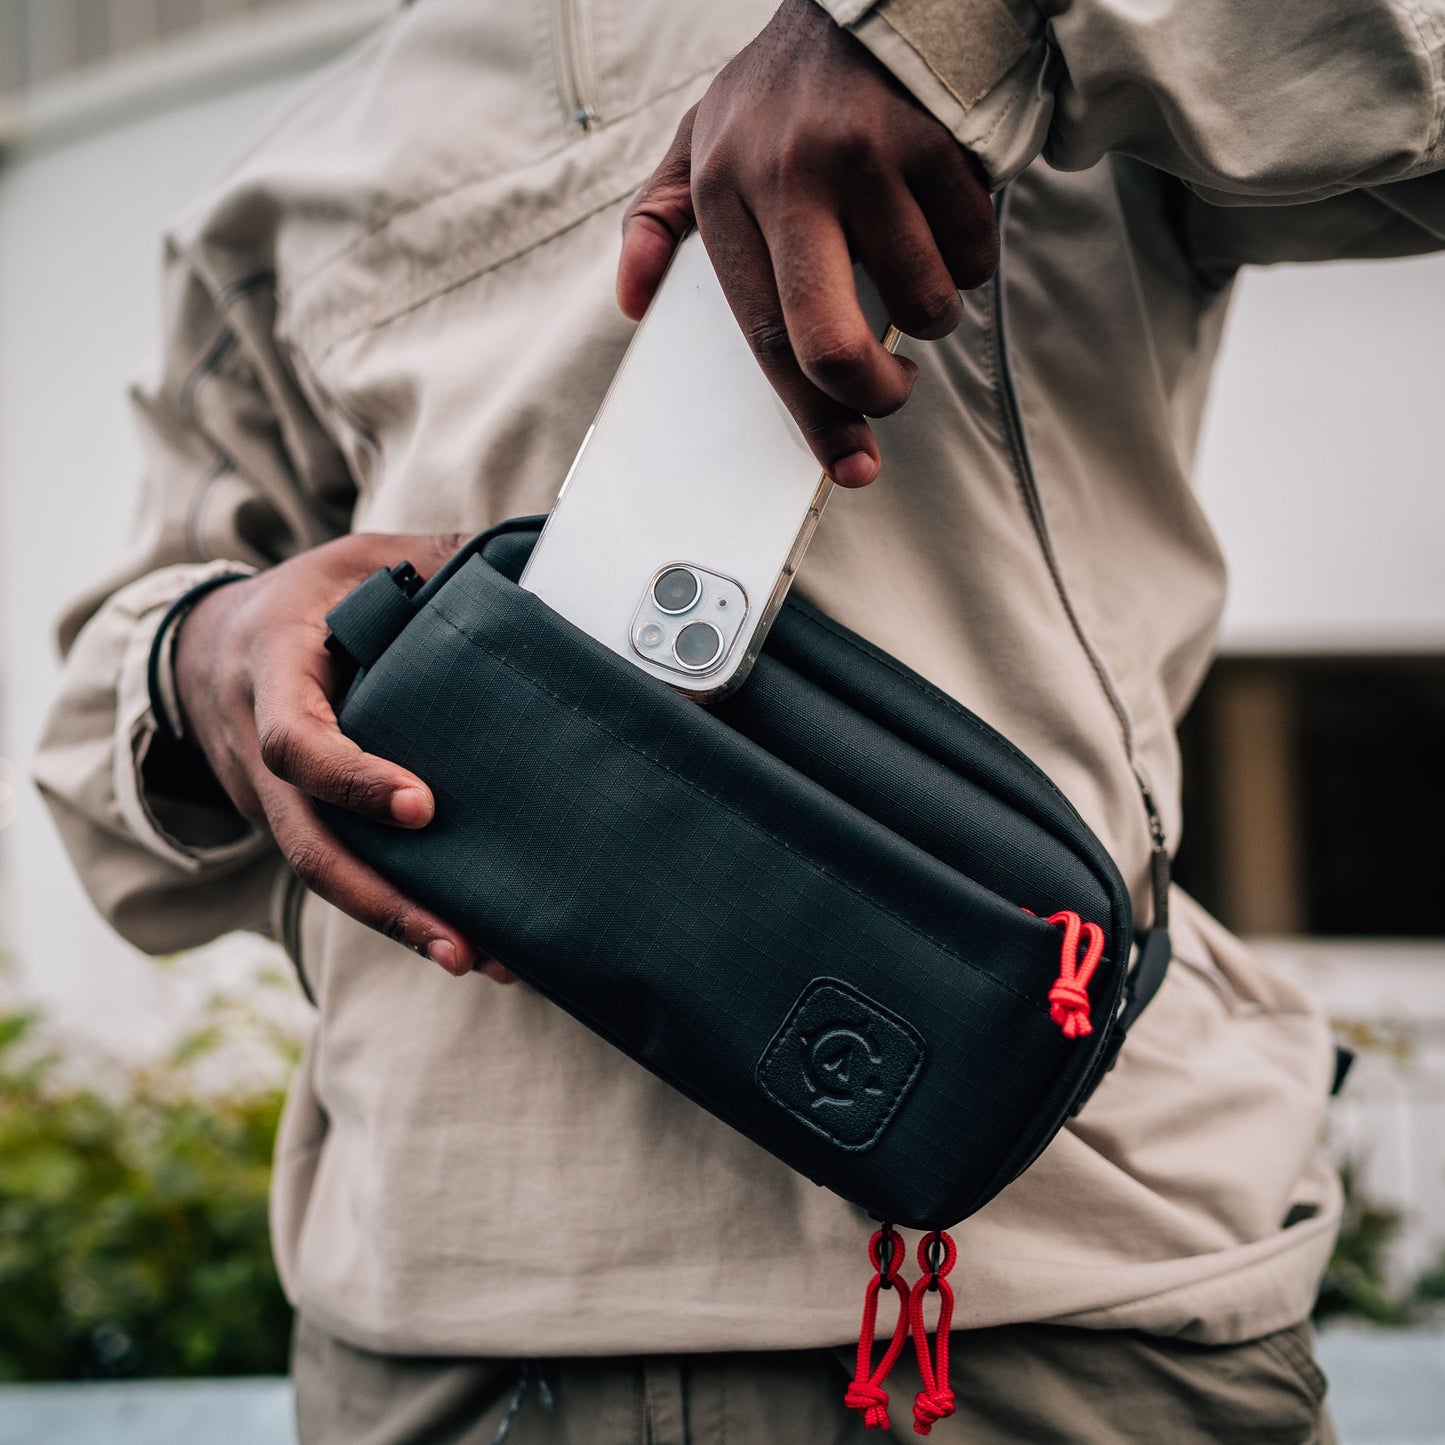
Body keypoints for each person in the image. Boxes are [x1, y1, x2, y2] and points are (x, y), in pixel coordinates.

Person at [34, 0, 1445, 1439]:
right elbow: (105, 722)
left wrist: (941, 27)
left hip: (1044, 1306)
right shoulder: (288, 173)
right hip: (443, 1331)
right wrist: (202, 651)